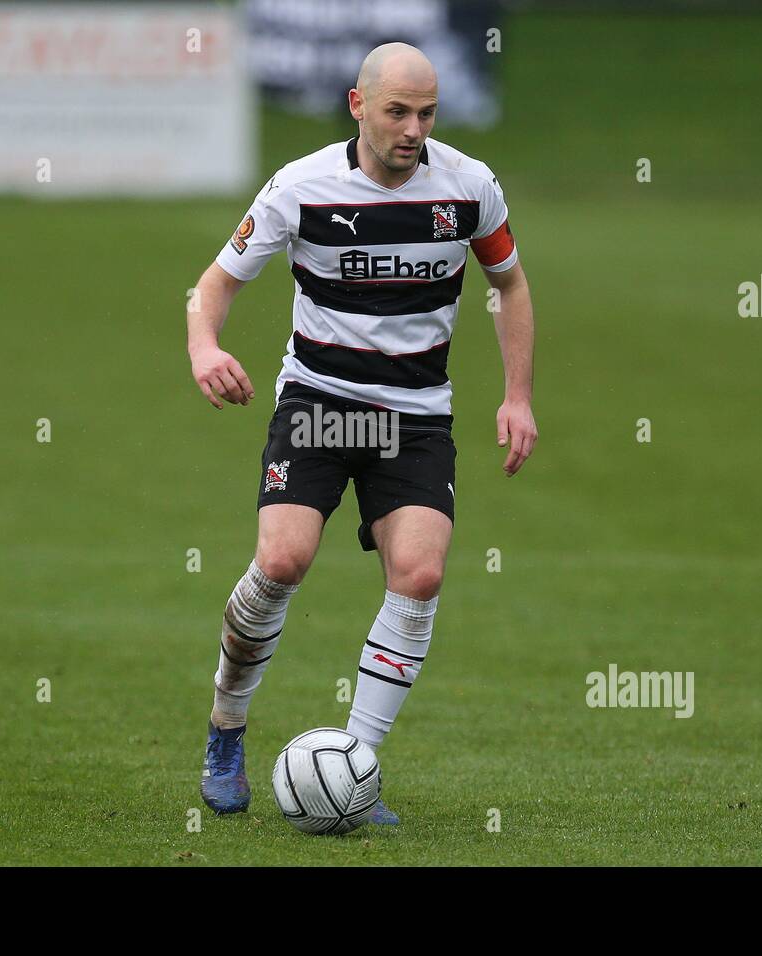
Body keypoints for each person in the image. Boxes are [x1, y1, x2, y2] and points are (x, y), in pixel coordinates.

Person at [186, 42, 537, 824]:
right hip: (320, 403)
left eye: (428, 112)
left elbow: (508, 285)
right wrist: (206, 346)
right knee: (281, 561)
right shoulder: (300, 187)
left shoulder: (470, 187)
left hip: (414, 417)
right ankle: (225, 730)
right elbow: (213, 285)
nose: (415, 129)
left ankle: (354, 766)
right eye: (398, 112)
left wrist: (518, 397)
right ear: (357, 105)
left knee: (419, 576)